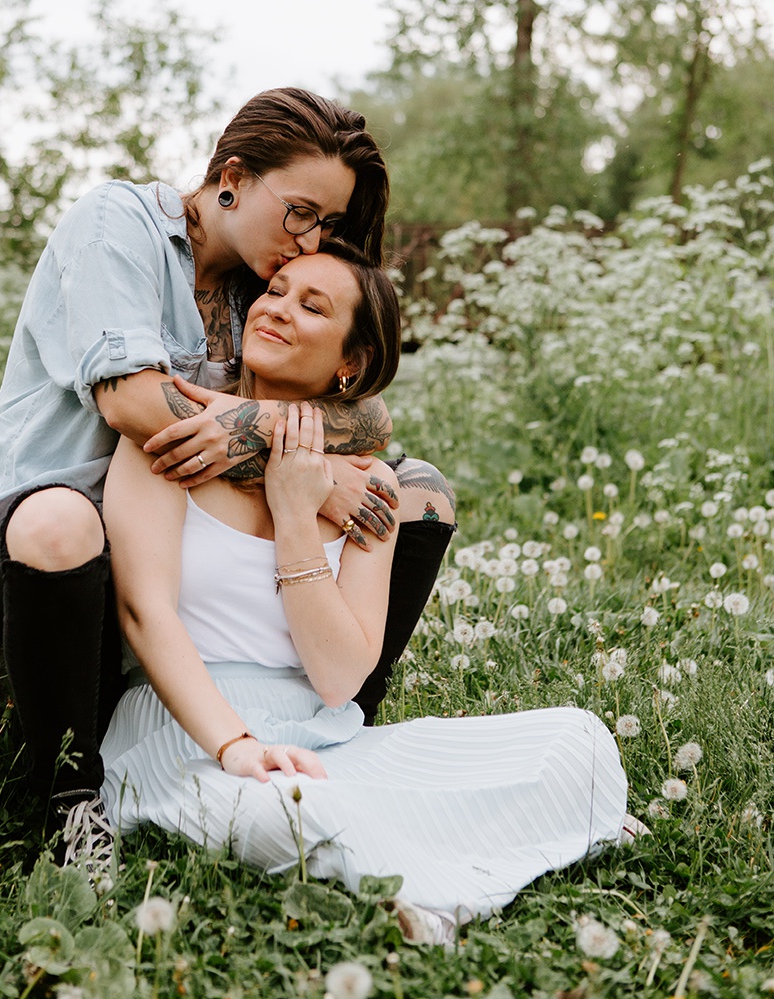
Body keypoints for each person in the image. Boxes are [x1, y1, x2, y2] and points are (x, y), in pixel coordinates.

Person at [0, 88, 455, 857]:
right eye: (302, 211)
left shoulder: (256, 279)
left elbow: (369, 415)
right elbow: (133, 401)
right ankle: (70, 804)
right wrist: (292, 448)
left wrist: (326, 461)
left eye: (329, 225)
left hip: (162, 531)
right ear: (233, 175)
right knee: (63, 522)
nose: (310, 240)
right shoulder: (119, 224)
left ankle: (338, 721)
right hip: (35, 532)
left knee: (421, 490)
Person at [100, 244, 632, 944]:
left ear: (349, 363)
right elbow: (144, 611)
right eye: (276, 291)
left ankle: (435, 839)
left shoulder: (368, 484)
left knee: (576, 741)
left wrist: (296, 515)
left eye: (311, 306)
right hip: (184, 729)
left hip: (322, 730)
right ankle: (433, 870)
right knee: (289, 810)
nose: (276, 309)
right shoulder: (170, 440)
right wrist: (233, 746)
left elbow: (338, 674)